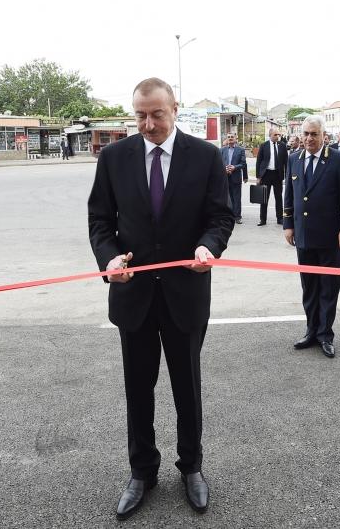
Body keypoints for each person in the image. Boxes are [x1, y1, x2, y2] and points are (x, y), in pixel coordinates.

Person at [87, 78, 233, 519]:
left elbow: (220, 215)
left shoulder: (204, 156)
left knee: (187, 388)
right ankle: (142, 471)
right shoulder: (114, 158)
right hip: (133, 296)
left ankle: (192, 467)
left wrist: (210, 246)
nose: (148, 124)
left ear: (175, 109)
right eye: (140, 115)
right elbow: (99, 221)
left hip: (185, 292)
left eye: (157, 114)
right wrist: (111, 260)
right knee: (138, 389)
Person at [283, 115, 340, 359]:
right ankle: (311, 330)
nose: (309, 138)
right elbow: (289, 194)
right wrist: (288, 224)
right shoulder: (294, 159)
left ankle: (325, 335)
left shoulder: (339, 159)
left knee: (328, 287)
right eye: (305, 134)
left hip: (331, 237)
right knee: (309, 287)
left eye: (314, 134)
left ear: (324, 135)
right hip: (303, 235)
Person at [255, 127, 287, 227]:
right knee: (264, 198)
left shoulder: (282, 146)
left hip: (277, 175)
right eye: (275, 135)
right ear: (270, 135)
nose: (277, 137)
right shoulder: (264, 145)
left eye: (279, 135)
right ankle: (262, 219)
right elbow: (259, 161)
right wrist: (258, 176)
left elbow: (286, 162)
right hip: (266, 175)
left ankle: (280, 218)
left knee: (279, 198)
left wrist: (286, 175)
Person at [221, 133, 247, 224]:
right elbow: (219, 162)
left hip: (236, 177)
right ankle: (229, 216)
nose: (230, 138)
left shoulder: (240, 150)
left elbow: (243, 163)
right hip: (225, 177)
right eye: (228, 137)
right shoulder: (222, 150)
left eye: (232, 137)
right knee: (227, 198)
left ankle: (237, 217)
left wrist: (234, 167)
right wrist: (225, 168)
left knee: (236, 198)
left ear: (236, 139)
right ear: (227, 139)